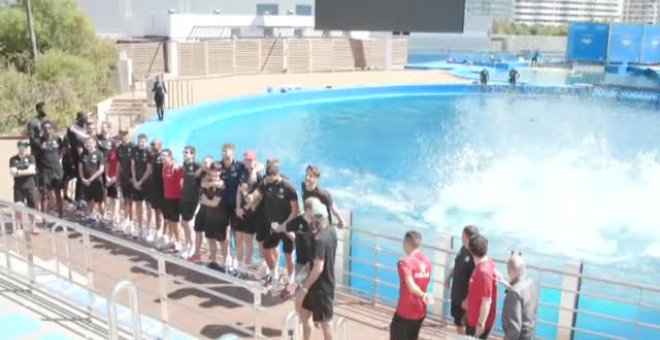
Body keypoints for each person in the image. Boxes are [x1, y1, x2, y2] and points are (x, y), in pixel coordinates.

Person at [245, 162, 298, 290]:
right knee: (265, 249)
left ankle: (291, 280)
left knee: (288, 255)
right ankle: (274, 275)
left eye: (271, 178)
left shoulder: (288, 187)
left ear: (277, 175)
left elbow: (295, 210)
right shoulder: (266, 183)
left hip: (286, 225)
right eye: (267, 177)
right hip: (273, 225)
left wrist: (285, 225)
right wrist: (248, 196)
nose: (269, 180)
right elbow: (254, 196)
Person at [297, 198, 337, 340]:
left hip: (321, 287)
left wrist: (304, 287)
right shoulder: (332, 231)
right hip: (325, 284)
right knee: (307, 314)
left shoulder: (319, 239)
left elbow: (318, 267)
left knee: (326, 322)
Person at [390, 230, 433, 340]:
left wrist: (422, 295)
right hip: (420, 311)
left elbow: (411, 285)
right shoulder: (427, 262)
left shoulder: (404, 262)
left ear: (407, 242)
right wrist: (424, 296)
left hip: (405, 312)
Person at [276, 197, 318, 298]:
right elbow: (284, 228)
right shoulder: (297, 221)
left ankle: (291, 290)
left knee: (311, 290)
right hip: (301, 261)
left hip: (315, 263)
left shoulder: (318, 222)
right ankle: (292, 293)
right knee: (300, 288)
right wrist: (276, 226)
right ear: (308, 209)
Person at [235, 150, 264, 275]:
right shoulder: (242, 171)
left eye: (250, 160)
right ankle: (240, 264)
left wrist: (245, 208)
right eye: (246, 159)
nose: (248, 161)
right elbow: (238, 191)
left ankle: (246, 267)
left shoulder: (258, 175)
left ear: (255, 161)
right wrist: (237, 208)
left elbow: (259, 196)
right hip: (240, 210)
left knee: (248, 240)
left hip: (251, 212)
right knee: (239, 239)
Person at [446, 225, 478, 334]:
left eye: (463, 236)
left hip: (465, 299)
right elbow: (457, 264)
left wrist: (468, 299)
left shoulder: (475, 256)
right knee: (458, 322)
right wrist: (448, 277)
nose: (461, 238)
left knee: (465, 324)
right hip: (456, 295)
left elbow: (476, 282)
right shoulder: (463, 248)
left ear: (470, 238)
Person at [466, 234, 498, 339]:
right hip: (473, 317)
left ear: (471, 251)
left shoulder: (483, 271)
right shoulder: (488, 262)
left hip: (477, 322)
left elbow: (487, 300)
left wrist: (481, 324)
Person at [200, 163, 231, 270]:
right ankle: (213, 261)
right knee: (211, 239)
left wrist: (207, 201)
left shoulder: (222, 185)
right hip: (209, 216)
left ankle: (225, 261)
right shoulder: (207, 183)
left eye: (217, 171)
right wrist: (208, 201)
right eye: (213, 170)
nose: (215, 172)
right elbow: (202, 199)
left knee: (222, 241)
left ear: (220, 172)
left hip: (221, 217)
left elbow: (214, 203)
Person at [218, 143, 245, 263]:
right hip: (222, 206)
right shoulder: (218, 166)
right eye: (223, 151)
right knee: (224, 233)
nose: (224, 153)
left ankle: (237, 259)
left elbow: (255, 166)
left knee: (238, 234)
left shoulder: (240, 166)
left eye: (226, 151)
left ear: (232, 152)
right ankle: (226, 257)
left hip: (236, 206)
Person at [501, 252, 538, 340]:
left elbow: (514, 328)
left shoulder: (514, 294)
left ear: (509, 271)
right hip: (529, 331)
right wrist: (511, 287)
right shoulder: (531, 283)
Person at [34, 121, 64, 218]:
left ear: (52, 129)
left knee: (58, 194)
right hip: (45, 171)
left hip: (57, 170)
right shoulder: (38, 141)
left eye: (49, 128)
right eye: (45, 128)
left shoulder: (57, 139)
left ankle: (61, 216)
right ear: (42, 130)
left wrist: (57, 160)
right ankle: (45, 218)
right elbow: (35, 156)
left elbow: (62, 151)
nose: (47, 130)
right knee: (44, 195)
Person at [187, 156, 214, 263]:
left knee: (211, 233)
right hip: (202, 205)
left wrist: (207, 169)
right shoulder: (202, 172)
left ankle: (212, 257)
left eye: (207, 163)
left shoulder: (214, 173)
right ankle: (197, 254)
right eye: (203, 162)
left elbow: (211, 182)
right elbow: (195, 175)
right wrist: (202, 168)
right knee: (198, 229)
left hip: (212, 207)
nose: (204, 164)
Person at [179, 146, 203, 260]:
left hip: (194, 198)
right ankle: (188, 243)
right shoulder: (185, 164)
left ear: (193, 154)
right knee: (183, 222)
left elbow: (203, 179)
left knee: (188, 223)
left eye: (187, 152)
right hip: (185, 196)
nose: (185, 154)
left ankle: (192, 246)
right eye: (184, 152)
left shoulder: (198, 166)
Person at [9, 140, 38, 235]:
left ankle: (33, 226)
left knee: (32, 207)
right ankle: (19, 227)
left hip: (30, 186)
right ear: (18, 147)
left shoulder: (31, 157)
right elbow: (12, 172)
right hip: (18, 187)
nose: (24, 148)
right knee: (18, 207)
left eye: (26, 146)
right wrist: (24, 171)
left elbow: (32, 171)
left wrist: (19, 172)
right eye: (22, 146)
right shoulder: (13, 159)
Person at [161, 149, 185, 255]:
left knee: (176, 222)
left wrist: (179, 165)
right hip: (167, 197)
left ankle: (178, 242)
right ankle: (172, 240)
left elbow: (187, 171)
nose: (164, 158)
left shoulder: (178, 168)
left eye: (165, 156)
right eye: (162, 156)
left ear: (171, 157)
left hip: (176, 198)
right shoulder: (164, 167)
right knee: (169, 220)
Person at [79, 137, 106, 226]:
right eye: (87, 143)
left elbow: (101, 169)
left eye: (90, 143)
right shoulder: (83, 154)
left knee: (100, 201)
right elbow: (80, 167)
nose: (88, 145)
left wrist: (90, 179)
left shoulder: (99, 154)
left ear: (94, 144)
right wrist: (82, 178)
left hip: (96, 181)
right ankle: (91, 216)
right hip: (86, 182)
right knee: (89, 200)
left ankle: (102, 218)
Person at [131, 134, 153, 240]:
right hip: (136, 182)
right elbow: (133, 166)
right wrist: (135, 181)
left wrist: (140, 182)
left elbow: (149, 170)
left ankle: (148, 229)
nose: (141, 143)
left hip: (147, 183)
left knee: (148, 207)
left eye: (143, 141)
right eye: (139, 141)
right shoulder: (134, 150)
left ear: (146, 141)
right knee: (138, 205)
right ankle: (139, 227)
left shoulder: (149, 152)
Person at [116, 130, 134, 234]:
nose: (123, 138)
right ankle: (126, 219)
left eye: (125, 135)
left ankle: (131, 221)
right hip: (124, 177)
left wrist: (134, 177)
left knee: (132, 200)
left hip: (132, 177)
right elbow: (119, 164)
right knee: (125, 199)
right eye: (121, 136)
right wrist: (117, 178)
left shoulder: (133, 147)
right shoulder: (119, 149)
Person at [147, 140, 165, 245]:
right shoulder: (152, 156)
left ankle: (164, 234)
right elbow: (150, 170)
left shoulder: (163, 156)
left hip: (163, 187)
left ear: (160, 145)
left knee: (164, 212)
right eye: (152, 144)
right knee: (156, 211)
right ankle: (158, 231)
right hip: (154, 187)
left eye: (155, 145)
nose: (153, 146)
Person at [96, 122, 114, 221]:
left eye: (104, 128)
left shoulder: (113, 141)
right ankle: (102, 213)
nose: (102, 129)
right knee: (101, 191)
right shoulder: (97, 139)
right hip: (99, 168)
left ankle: (111, 214)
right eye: (101, 128)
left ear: (109, 129)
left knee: (111, 193)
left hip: (110, 169)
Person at [104, 135, 121, 226]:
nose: (117, 143)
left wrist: (116, 177)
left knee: (116, 199)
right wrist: (107, 176)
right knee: (110, 198)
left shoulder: (121, 152)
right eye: (115, 141)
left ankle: (116, 216)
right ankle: (111, 216)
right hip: (109, 177)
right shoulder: (111, 152)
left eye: (118, 141)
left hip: (117, 178)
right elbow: (107, 164)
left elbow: (121, 166)